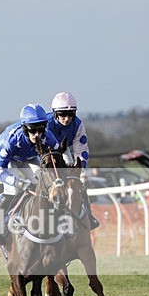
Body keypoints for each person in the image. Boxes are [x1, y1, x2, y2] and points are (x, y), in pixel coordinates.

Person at [0, 103, 59, 244]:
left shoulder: (47, 136)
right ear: (25, 129)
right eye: (33, 130)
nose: (37, 134)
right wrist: (18, 182)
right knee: (13, 189)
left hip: (29, 158)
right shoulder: (9, 142)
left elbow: (59, 153)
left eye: (41, 129)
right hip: (10, 160)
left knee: (44, 183)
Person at [45, 91, 99, 229]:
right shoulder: (46, 123)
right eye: (63, 114)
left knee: (76, 182)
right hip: (45, 153)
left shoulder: (77, 124)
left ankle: (89, 215)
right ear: (55, 113)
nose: (67, 119)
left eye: (70, 114)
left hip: (64, 150)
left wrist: (80, 171)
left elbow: (81, 149)